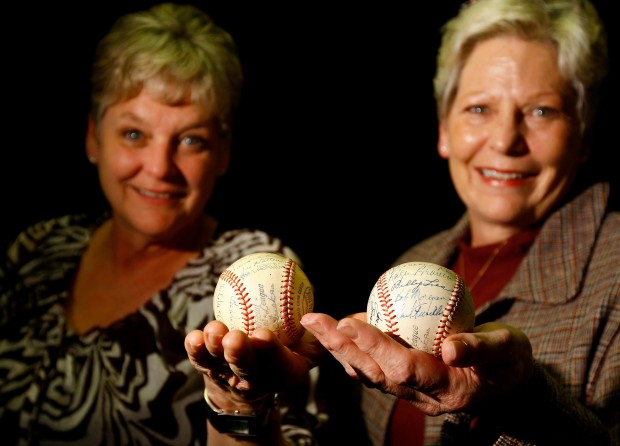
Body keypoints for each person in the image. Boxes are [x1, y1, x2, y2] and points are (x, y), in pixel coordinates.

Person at [299, 0, 619, 444]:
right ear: (444, 130)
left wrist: (523, 402)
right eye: (479, 109)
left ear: (582, 136)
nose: (506, 140)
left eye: (542, 111)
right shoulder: (415, 262)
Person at [0, 3, 319, 445]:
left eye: (191, 140)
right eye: (134, 134)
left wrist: (240, 406)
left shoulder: (257, 270)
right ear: (94, 137)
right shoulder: (40, 248)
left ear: (223, 154)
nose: (159, 167)